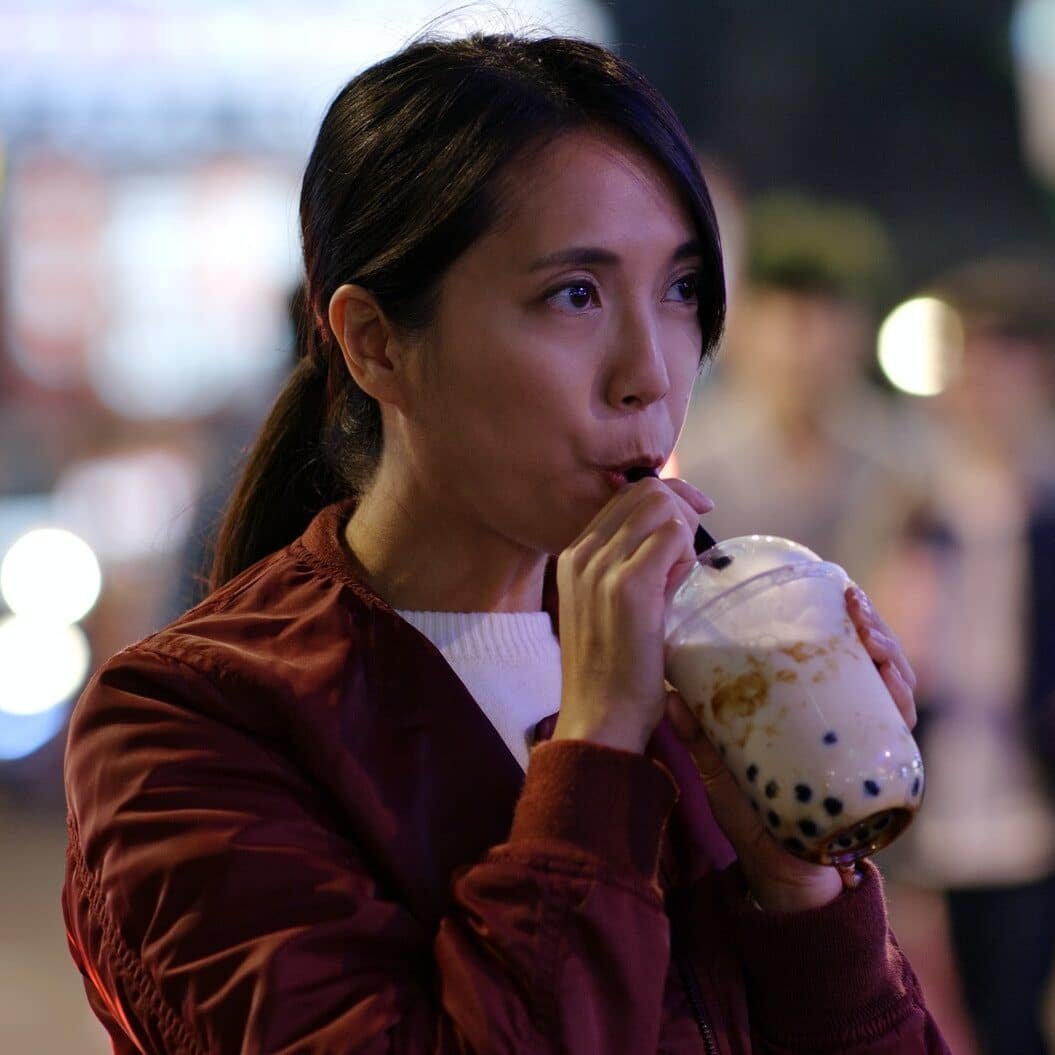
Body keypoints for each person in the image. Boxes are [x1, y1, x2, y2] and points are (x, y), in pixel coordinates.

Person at [61, 34, 949, 1054]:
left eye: (680, 290)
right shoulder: (190, 720)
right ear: (374, 342)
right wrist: (593, 753)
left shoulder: (698, 666)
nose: (648, 375)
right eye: (573, 293)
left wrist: (796, 884)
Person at [872, 255, 1055, 1055]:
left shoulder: (1044, 513)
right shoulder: (912, 510)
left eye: (999, 365)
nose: (978, 388)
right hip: (931, 816)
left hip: (1031, 812)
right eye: (965, 366)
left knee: (1015, 1019)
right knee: (934, 1020)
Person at [676, 193, 926, 588]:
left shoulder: (903, 460)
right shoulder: (688, 455)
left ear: (861, 328)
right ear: (742, 322)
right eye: (790, 320)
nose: (808, 345)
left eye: (829, 316)